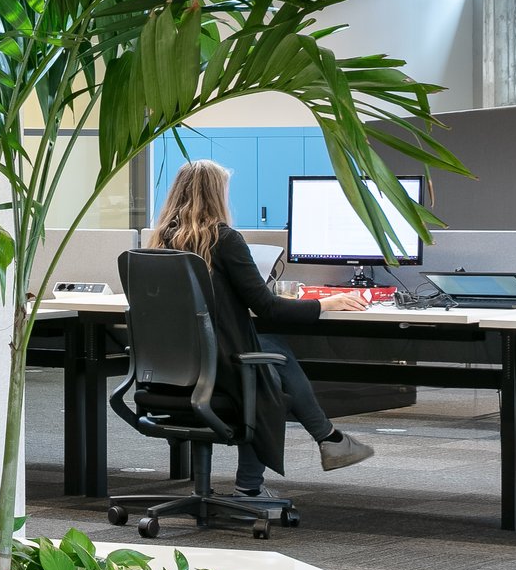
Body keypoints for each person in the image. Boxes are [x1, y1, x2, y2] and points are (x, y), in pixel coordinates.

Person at [145, 158, 376, 501]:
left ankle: (326, 441)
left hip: (170, 373)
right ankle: (259, 480)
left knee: (272, 351)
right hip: (218, 372)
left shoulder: (158, 243)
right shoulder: (223, 239)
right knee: (269, 379)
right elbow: (266, 308)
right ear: (215, 195)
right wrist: (324, 304)